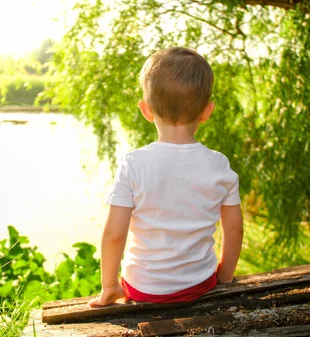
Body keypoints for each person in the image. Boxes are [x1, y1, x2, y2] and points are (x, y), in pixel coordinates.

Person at [88, 47, 244, 307]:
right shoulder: (219, 164)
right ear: (207, 111)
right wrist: (225, 276)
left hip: (143, 288)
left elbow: (115, 234)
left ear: (146, 110)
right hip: (200, 284)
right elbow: (235, 229)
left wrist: (109, 286)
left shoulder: (133, 164)